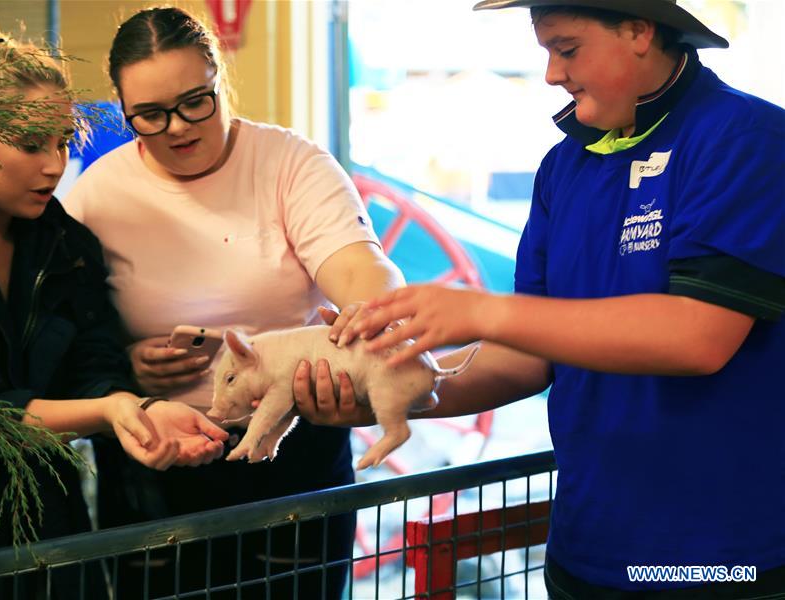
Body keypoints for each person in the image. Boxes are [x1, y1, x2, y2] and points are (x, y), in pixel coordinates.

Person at [298, 1, 785, 598]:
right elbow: (524, 358)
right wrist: (387, 394)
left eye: (567, 48)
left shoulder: (745, 140)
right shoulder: (565, 166)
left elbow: (698, 337)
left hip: (719, 560)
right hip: (585, 548)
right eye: (547, 51)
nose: (553, 74)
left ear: (639, 29)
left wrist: (480, 311)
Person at [61, 7, 404, 598]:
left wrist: (376, 312)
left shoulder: (292, 165)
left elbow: (359, 268)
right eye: (149, 114)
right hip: (155, 463)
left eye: (196, 101)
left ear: (220, 79)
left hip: (292, 451)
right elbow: (70, 337)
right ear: (123, 110)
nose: (176, 127)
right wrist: (130, 366)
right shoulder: (96, 197)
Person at [0, 26, 227, 596]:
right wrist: (114, 410)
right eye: (31, 144)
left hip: (48, 528)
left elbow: (94, 359)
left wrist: (135, 404)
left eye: (63, 141)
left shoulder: (65, 242)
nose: (55, 165)